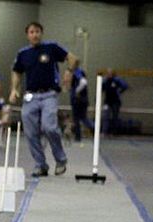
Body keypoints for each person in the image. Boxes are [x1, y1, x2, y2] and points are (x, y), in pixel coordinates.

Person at [9, 21, 77, 177]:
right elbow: (16, 71)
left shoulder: (51, 48)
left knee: (49, 127)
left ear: (41, 33)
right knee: (30, 131)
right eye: (32, 32)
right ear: (27, 35)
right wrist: (14, 89)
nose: (35, 35)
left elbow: (72, 58)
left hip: (49, 94)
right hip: (30, 96)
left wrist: (69, 72)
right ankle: (40, 164)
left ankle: (60, 160)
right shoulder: (23, 53)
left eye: (38, 31)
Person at [69, 59, 93, 142]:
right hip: (81, 99)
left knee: (78, 118)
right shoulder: (78, 72)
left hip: (78, 100)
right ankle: (94, 129)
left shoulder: (77, 72)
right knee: (82, 118)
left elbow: (83, 82)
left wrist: (76, 91)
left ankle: (78, 136)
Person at [102, 68, 128, 135]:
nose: (109, 74)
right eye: (108, 73)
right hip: (107, 101)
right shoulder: (105, 80)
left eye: (110, 73)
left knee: (115, 117)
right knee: (105, 116)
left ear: (113, 74)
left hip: (115, 101)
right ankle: (104, 132)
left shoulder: (117, 80)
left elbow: (125, 86)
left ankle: (114, 132)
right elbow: (101, 88)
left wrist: (119, 91)